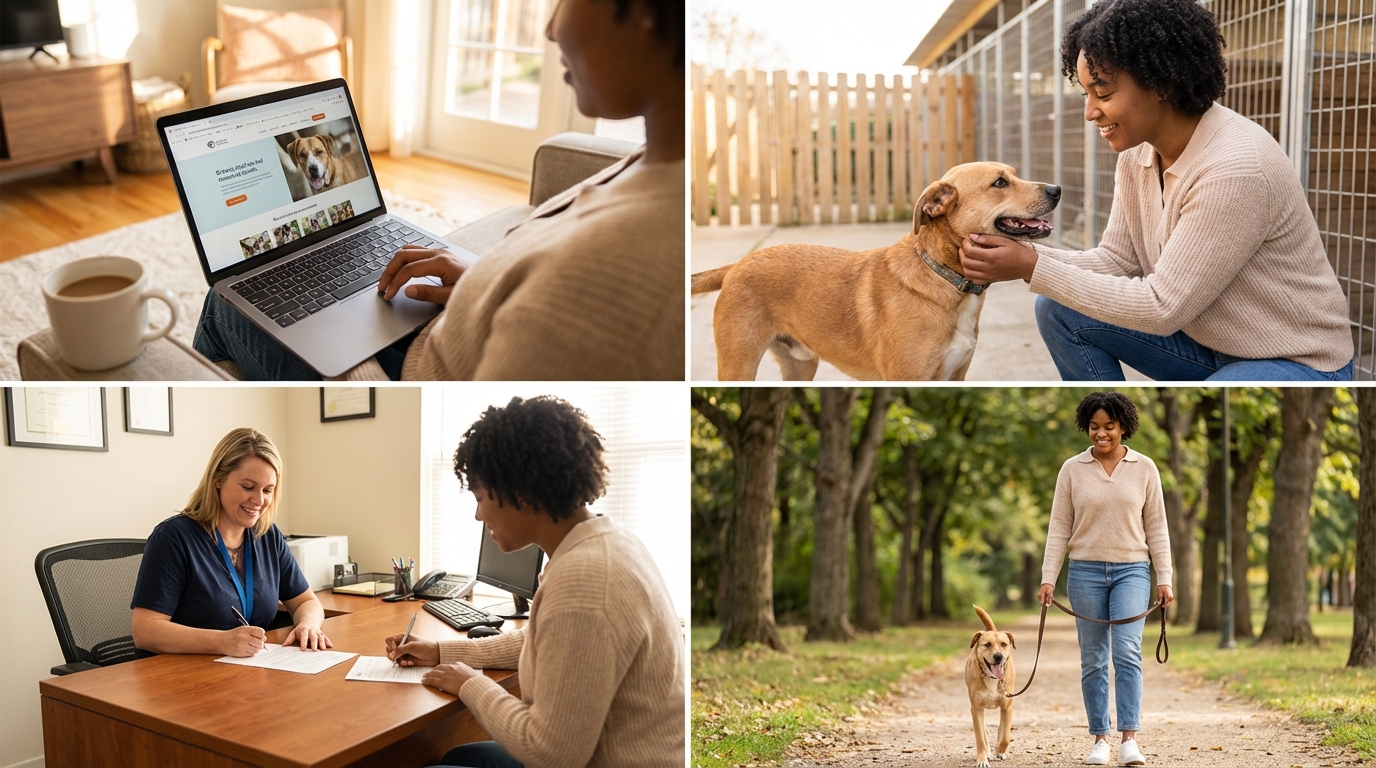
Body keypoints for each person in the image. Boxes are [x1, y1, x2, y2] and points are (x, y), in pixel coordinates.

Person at [193, 0, 685, 381]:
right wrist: (485, 282)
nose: (552, 27)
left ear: (643, 11)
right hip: (449, 316)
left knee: (225, 299)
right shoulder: (654, 165)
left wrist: (344, 357)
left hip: (404, 373)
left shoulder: (633, 265)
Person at [958, 0, 1354, 382]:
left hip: (1296, 358)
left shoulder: (1236, 168)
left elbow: (1161, 307)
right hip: (1208, 345)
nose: (1090, 111)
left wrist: (1029, 266)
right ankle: (1109, 406)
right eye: (1086, 94)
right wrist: (1023, 255)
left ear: (1160, 82)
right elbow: (1118, 260)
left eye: (1105, 93)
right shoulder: (1139, 154)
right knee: (1058, 307)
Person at [385, 396, 684, 767]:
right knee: (461, 755)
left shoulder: (585, 581)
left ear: (521, 491)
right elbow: (545, 640)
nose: (478, 514)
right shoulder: (606, 541)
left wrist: (470, 684)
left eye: (480, 498)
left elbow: (550, 754)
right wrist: (442, 652)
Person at [1038, 392, 1174, 766]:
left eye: (1109, 427)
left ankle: (1129, 738)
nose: (1101, 434)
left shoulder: (1145, 468)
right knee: (1093, 659)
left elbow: (1157, 527)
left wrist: (1165, 577)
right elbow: (1059, 528)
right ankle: (1100, 738)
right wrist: (1049, 577)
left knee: (1127, 652)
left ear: (1123, 427)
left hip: (1132, 569)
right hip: (1085, 572)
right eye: (1094, 427)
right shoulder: (1072, 469)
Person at [131, 428, 331, 658]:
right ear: (218, 480)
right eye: (248, 487)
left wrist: (308, 624)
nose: (259, 500)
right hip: (179, 678)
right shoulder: (174, 537)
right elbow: (145, 631)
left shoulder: (267, 535)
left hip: (243, 675)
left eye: (268, 490)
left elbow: (305, 601)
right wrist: (221, 641)